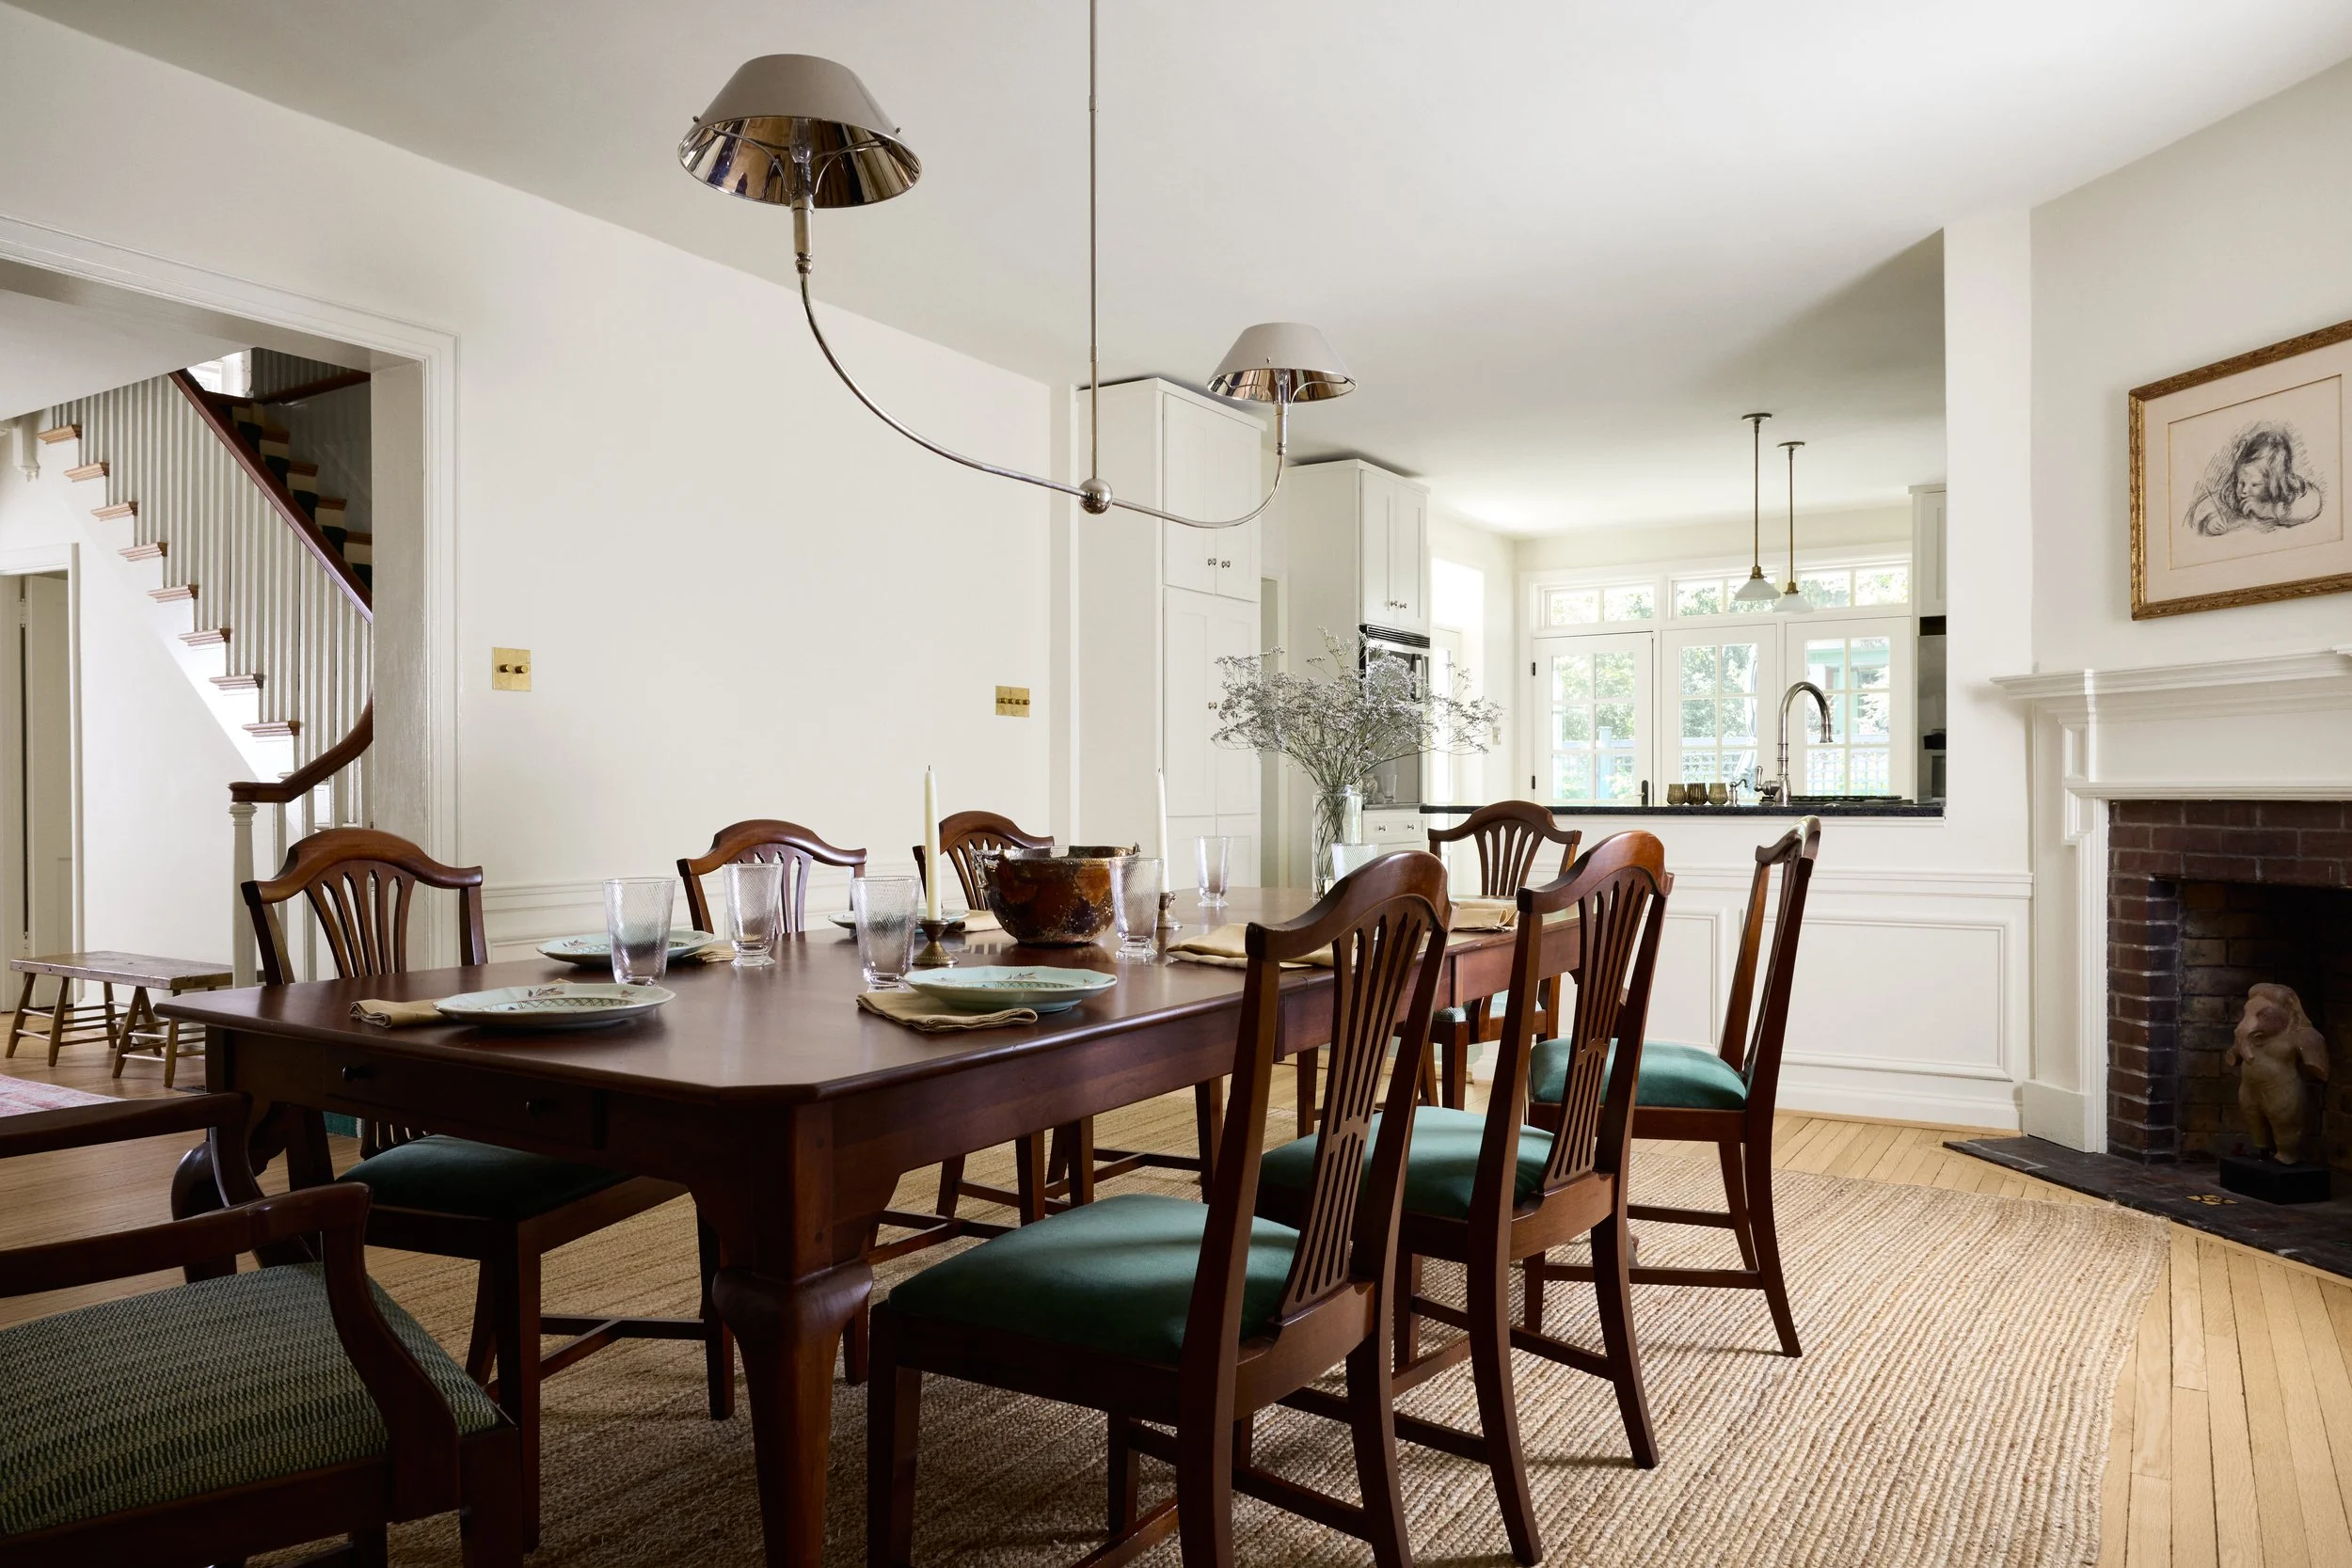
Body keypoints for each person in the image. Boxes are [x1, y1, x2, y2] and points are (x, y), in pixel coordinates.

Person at [2186, 422, 2325, 536]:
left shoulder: (2287, 491)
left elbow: (2313, 503)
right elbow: (2206, 501)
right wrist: (2211, 517)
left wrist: (2268, 510)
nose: (2244, 490)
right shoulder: (2233, 493)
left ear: (2274, 484)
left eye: (2255, 484)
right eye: (2241, 482)